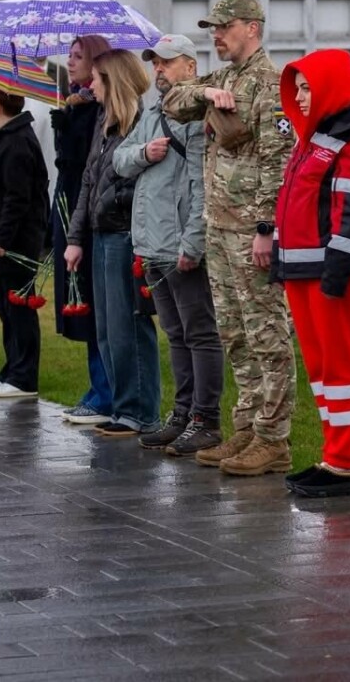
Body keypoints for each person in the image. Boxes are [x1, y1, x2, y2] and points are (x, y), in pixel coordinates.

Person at [163, 0, 296, 477]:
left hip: (251, 233)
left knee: (267, 334)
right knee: (235, 334)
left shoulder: (272, 84)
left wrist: (267, 229)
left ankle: (274, 438)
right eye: (213, 28)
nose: (215, 35)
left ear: (252, 28)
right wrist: (204, 94)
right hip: (218, 227)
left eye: (224, 27)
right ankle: (246, 426)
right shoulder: (223, 78)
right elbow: (174, 102)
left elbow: (278, 163)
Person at [271, 48, 350, 498]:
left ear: (331, 87)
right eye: (295, 88)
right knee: (319, 370)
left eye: (307, 88)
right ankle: (332, 457)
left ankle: (344, 465)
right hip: (304, 273)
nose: (299, 97)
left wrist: (334, 278)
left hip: (332, 275)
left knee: (340, 368)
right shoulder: (314, 137)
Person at [113, 34, 224, 455]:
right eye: (155, 63)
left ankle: (205, 419)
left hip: (180, 243)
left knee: (199, 332)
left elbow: (202, 184)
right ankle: (181, 416)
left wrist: (193, 242)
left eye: (166, 62)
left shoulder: (198, 116)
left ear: (190, 67)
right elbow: (120, 161)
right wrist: (146, 151)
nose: (158, 69)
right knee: (175, 334)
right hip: (152, 242)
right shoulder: (151, 111)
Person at [66, 48, 160, 436]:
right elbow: (89, 180)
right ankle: (122, 406)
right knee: (106, 327)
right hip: (101, 234)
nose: (91, 84)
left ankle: (139, 410)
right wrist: (76, 237)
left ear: (114, 81)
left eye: (99, 79)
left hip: (125, 235)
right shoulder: (103, 123)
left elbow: (137, 182)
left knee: (128, 326)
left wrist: (114, 205)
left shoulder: (140, 122)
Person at [0, 86, 48, 398]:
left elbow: (17, 197)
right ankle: (13, 369)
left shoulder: (18, 141)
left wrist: (2, 238)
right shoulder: (5, 137)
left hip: (14, 245)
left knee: (18, 311)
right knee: (6, 308)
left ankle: (24, 376)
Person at [51, 35, 114, 426]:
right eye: (69, 55)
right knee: (83, 303)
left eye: (78, 56)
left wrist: (71, 126)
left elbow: (83, 166)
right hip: (69, 209)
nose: (70, 62)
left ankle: (105, 391)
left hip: (86, 210)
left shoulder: (97, 110)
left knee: (94, 305)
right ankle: (97, 386)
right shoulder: (76, 104)